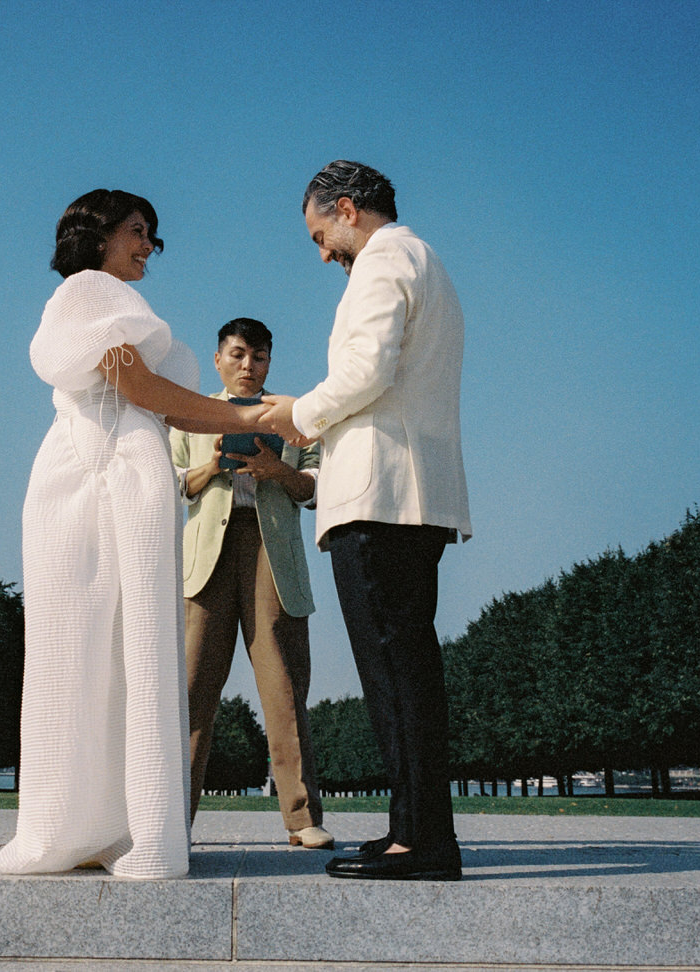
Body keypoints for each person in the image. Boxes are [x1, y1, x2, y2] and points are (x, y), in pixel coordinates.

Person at [0, 189, 268, 880]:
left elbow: (156, 400)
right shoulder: (93, 292)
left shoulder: (95, 299)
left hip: (100, 464)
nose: (149, 245)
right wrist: (256, 417)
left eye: (151, 233)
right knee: (126, 644)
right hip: (107, 468)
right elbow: (144, 390)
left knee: (84, 645)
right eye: (137, 230)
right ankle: (129, 830)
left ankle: (84, 826)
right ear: (97, 235)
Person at [260, 161, 472, 881]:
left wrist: (295, 416)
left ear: (346, 209)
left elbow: (366, 374)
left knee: (395, 673)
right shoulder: (424, 261)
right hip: (411, 494)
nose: (323, 254)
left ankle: (425, 843)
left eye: (323, 236)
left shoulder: (383, 264)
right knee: (403, 670)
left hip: (381, 500)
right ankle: (411, 829)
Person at [170, 318, 333, 850]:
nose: (248, 366)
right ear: (218, 359)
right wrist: (214, 466)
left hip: (271, 557)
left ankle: (303, 819)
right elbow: (174, 484)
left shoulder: (293, 416)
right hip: (206, 560)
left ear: (269, 363)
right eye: (238, 355)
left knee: (284, 689)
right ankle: (172, 821)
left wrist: (273, 469)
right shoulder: (190, 414)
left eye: (259, 357)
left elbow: (312, 487)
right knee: (193, 692)